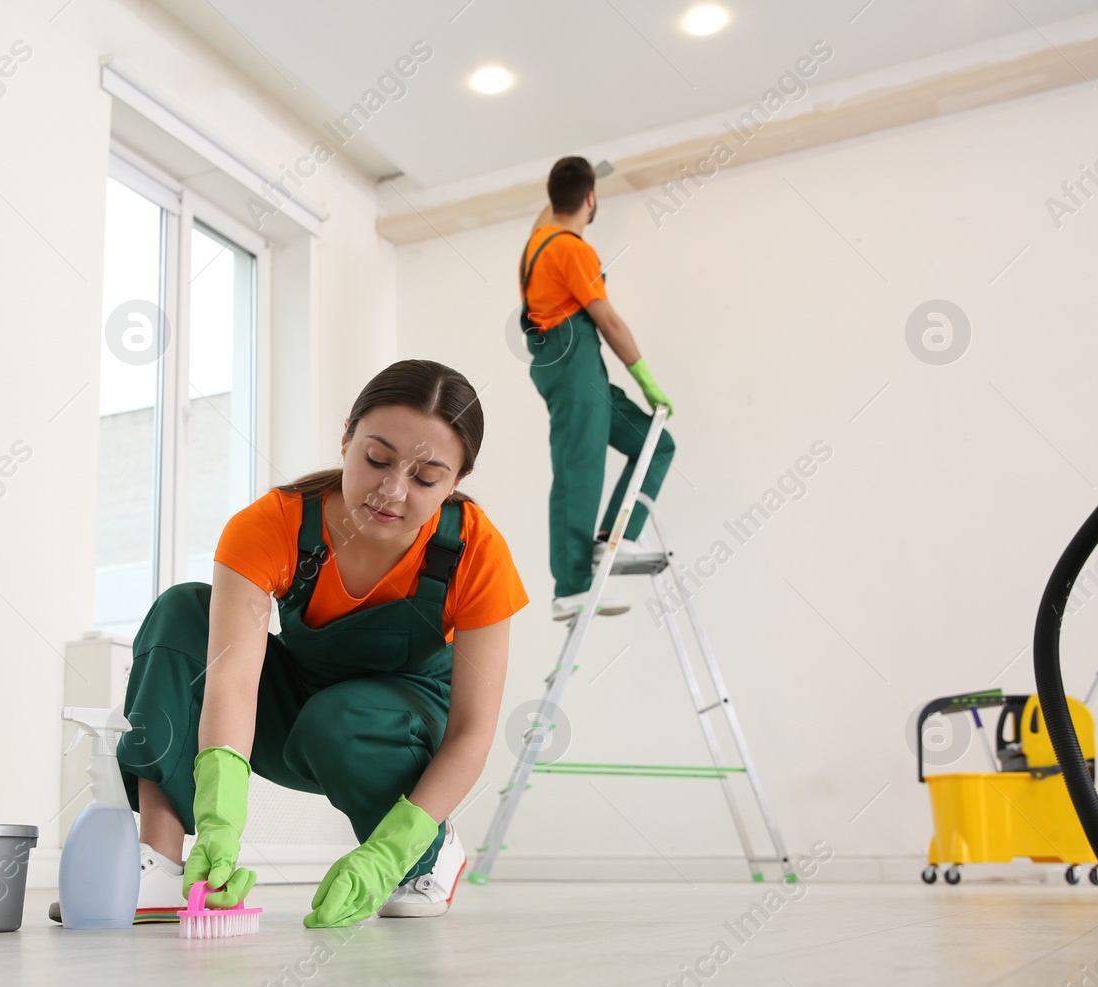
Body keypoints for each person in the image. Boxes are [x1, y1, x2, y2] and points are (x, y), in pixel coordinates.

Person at [108, 359, 527, 928]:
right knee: (184, 611)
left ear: (456, 483)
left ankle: (425, 853)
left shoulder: (475, 553)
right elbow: (230, 679)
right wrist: (220, 823)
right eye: (376, 459)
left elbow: (474, 731)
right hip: (294, 715)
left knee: (342, 717)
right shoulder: (274, 526)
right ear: (347, 438)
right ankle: (160, 861)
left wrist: (388, 851)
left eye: (426, 478)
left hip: (396, 727)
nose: (392, 490)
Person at [521, 156, 676, 622]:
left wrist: (585, 178)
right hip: (573, 365)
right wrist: (646, 379)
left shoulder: (536, 243)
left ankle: (616, 538)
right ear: (589, 200)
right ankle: (571, 589)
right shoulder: (571, 249)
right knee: (579, 472)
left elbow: (544, 216)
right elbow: (607, 320)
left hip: (580, 369)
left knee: (656, 444)